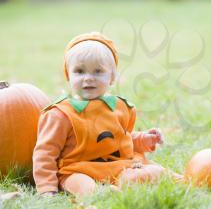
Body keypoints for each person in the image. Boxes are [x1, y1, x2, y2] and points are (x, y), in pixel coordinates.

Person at [33, 32, 179, 196]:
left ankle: (184, 180)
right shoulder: (60, 114)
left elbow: (121, 139)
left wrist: (144, 139)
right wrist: (47, 188)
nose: (88, 78)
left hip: (115, 166)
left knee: (152, 172)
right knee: (83, 185)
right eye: (80, 71)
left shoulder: (118, 107)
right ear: (68, 74)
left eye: (98, 71)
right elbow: (45, 153)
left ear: (112, 77)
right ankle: (103, 194)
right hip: (77, 170)